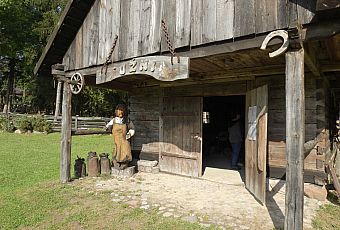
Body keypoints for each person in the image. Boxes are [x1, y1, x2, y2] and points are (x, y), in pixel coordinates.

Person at [106, 104, 135, 170]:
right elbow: (108, 127)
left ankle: (124, 163)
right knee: (116, 151)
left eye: (122, 110)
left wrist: (129, 134)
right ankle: (116, 162)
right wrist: (107, 128)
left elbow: (132, 128)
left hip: (124, 139)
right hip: (116, 140)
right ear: (116, 111)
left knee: (125, 150)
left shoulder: (127, 120)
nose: (120, 112)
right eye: (119, 110)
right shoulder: (113, 120)